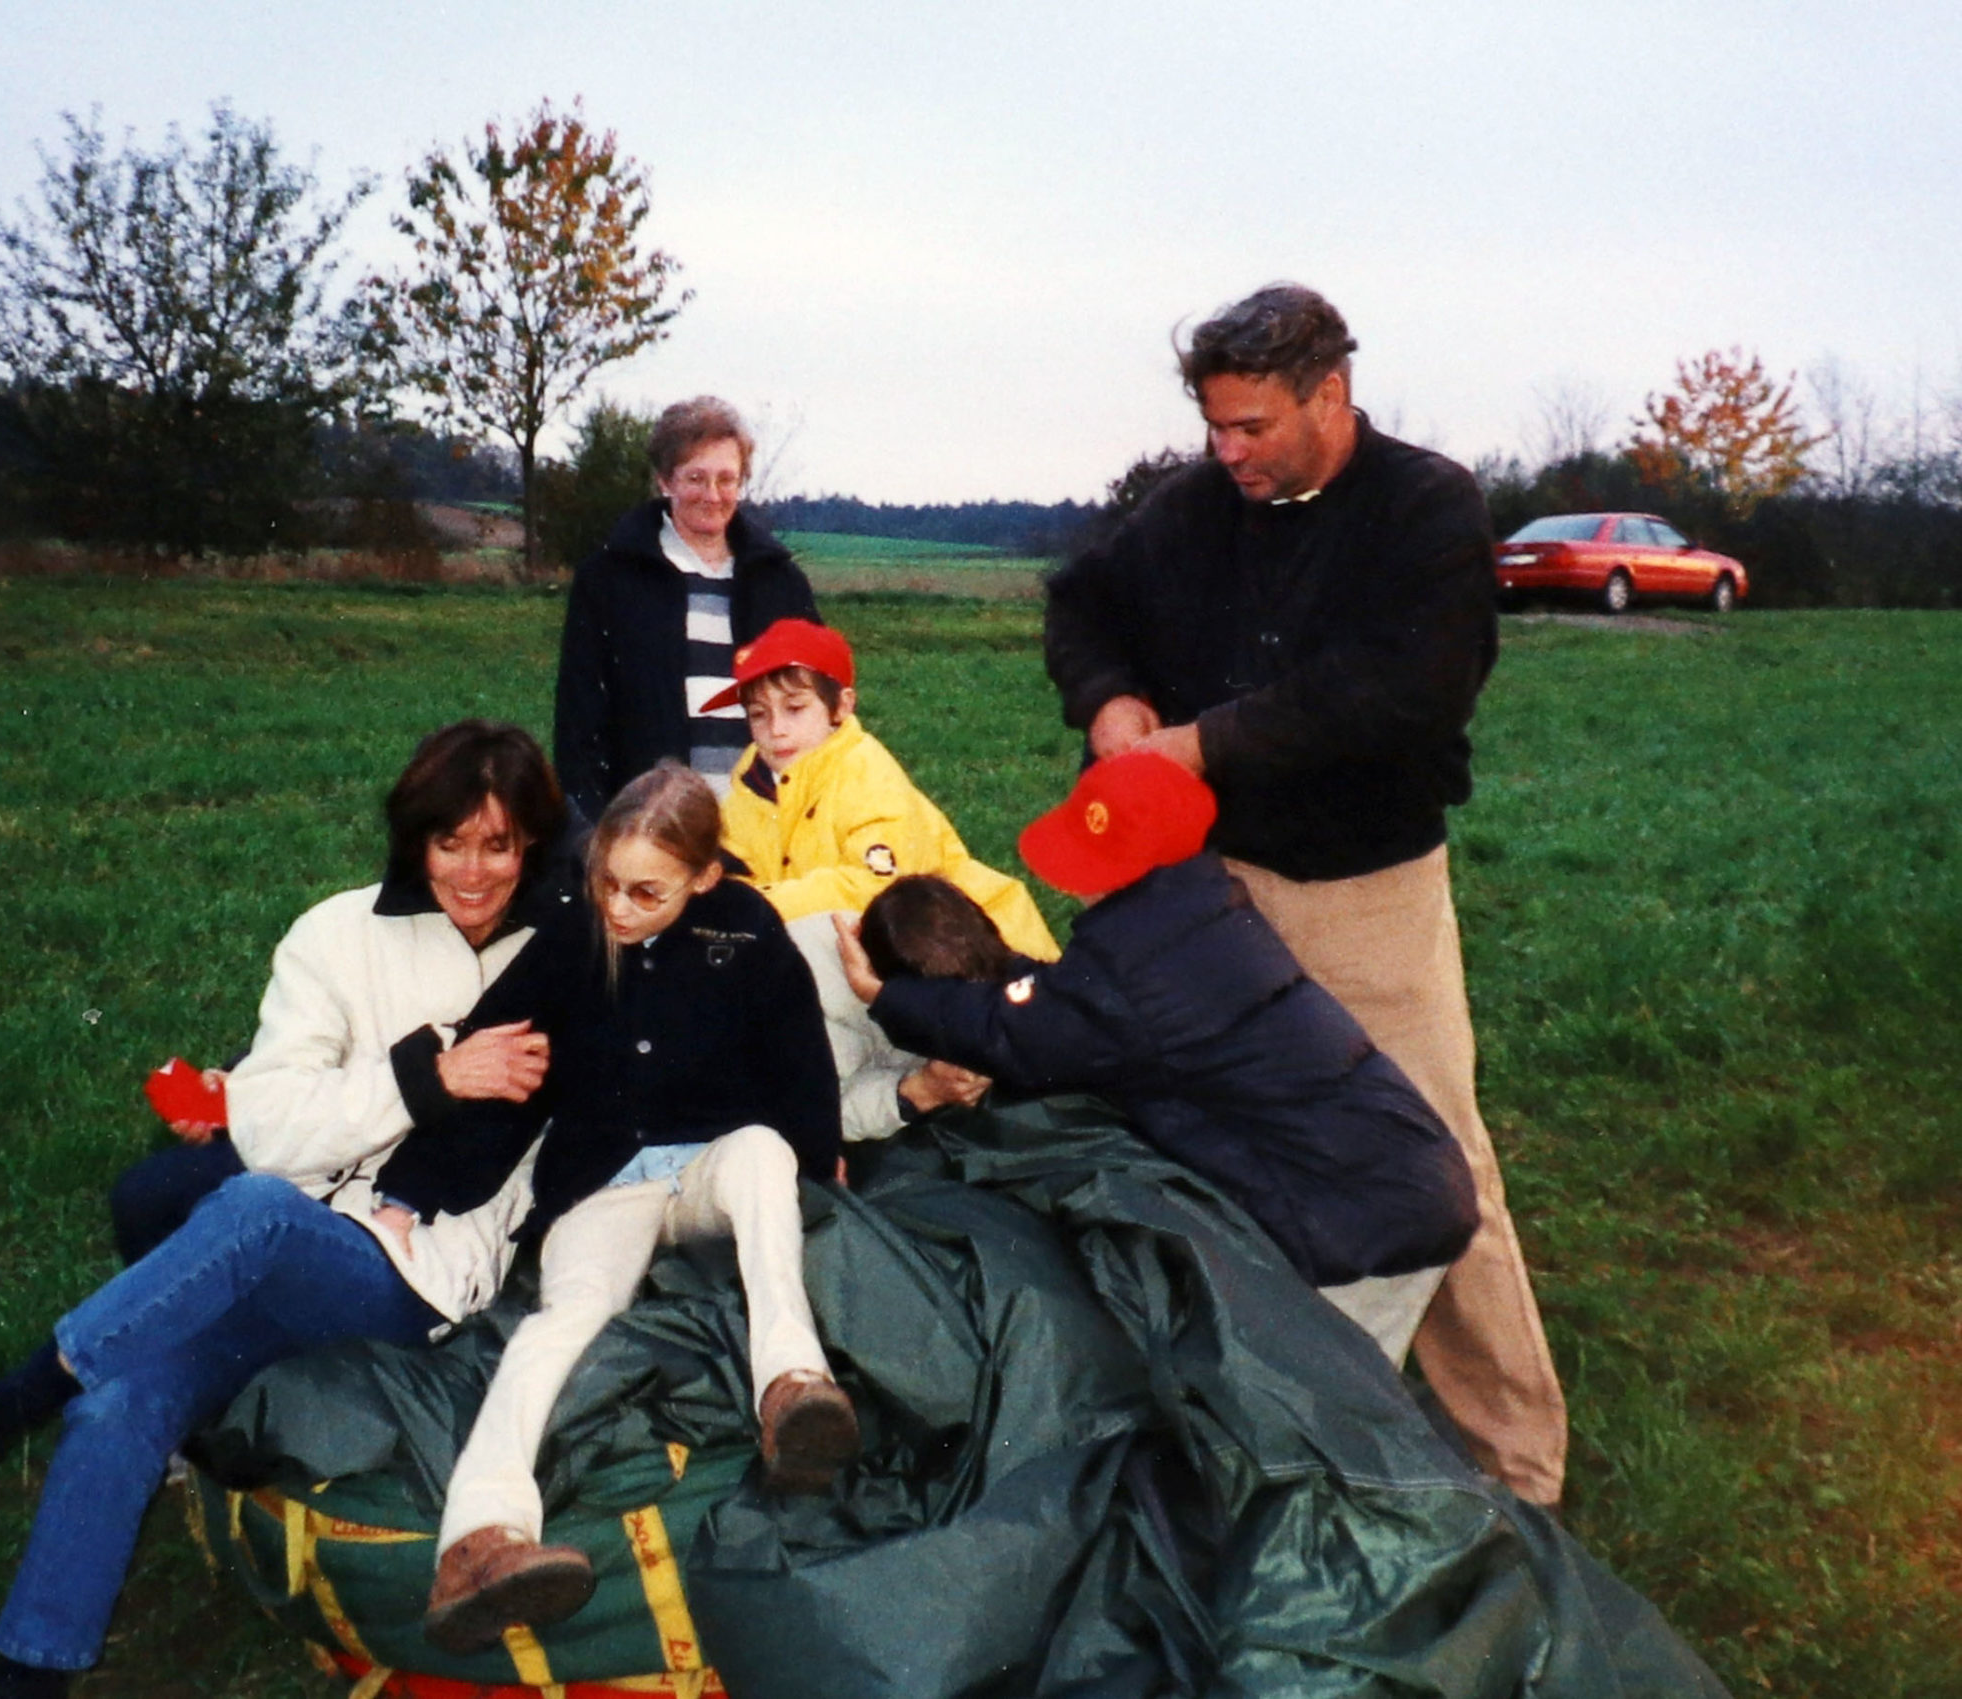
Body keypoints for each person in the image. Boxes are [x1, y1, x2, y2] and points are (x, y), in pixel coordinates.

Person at [0, 721, 576, 1699]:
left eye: (498, 844)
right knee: (119, 1406)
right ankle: (31, 1674)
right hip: (269, 1243)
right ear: (415, 838)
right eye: (450, 842)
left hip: (409, 1278)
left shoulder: (565, 956)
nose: (474, 873)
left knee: (254, 1210)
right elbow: (269, 1126)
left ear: (531, 842)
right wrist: (426, 1079)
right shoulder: (334, 933)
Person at [1039, 282, 1568, 1504]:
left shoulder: (1426, 506)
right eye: (1213, 427)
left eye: (1252, 427)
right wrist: (1108, 698)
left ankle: (1516, 1461)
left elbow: (1400, 692)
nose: (1227, 453)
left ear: (1329, 394)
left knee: (1435, 1163)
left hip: (1367, 886)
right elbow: (1080, 602)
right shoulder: (1191, 509)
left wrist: (1198, 745)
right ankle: (1255, 1420)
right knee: (1211, 1145)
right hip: (1207, 887)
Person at [367, 762, 853, 1655]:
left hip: (709, 1167)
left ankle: (792, 1387)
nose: (619, 908)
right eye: (606, 883)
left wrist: (821, 1165)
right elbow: (500, 1059)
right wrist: (410, 1190)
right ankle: (478, 1540)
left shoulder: (748, 930)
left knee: (765, 1150)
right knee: (560, 1323)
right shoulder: (573, 931)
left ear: (705, 877)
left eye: (646, 892)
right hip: (601, 1183)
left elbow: (802, 1067)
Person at [839, 752, 1479, 1363]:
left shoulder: (1130, 976)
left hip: (1356, 1219)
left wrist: (888, 995)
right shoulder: (1195, 916)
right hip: (1400, 1177)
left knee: (1323, 1402)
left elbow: (1020, 1036)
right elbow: (1061, 1003)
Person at [705, 615, 1058, 961]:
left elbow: (878, 886)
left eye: (795, 708)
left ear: (841, 706)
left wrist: (759, 904)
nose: (776, 729)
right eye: (758, 714)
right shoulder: (751, 785)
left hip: (974, 950)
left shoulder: (866, 772)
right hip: (868, 946)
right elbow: (732, 870)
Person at [553, 395, 819, 822]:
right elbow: (579, 725)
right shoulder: (609, 580)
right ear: (665, 480)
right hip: (653, 826)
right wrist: (594, 831)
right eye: (696, 478)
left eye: (726, 479)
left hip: (767, 827)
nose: (712, 495)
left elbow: (820, 710)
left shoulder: (780, 583)